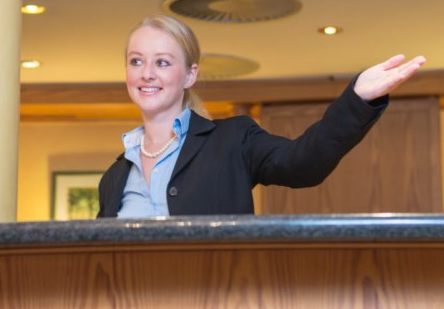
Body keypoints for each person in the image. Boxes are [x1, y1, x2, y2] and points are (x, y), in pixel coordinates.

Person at [97, 14, 426, 218]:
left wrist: (357, 99)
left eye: (163, 62)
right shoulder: (114, 176)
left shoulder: (231, 140)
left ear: (189, 75)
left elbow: (303, 164)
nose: (147, 74)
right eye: (136, 61)